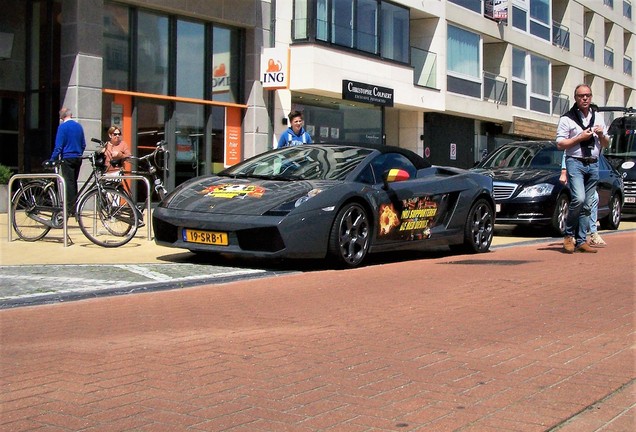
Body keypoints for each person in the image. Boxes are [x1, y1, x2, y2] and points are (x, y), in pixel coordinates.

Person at [556, 84, 609, 253]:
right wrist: (579, 137)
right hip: (575, 162)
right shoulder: (567, 118)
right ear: (576, 98)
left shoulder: (598, 118)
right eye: (581, 96)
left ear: (591, 97)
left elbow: (606, 144)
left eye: (587, 95)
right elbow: (560, 143)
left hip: (593, 163)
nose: (585, 98)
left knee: (588, 203)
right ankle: (568, 235)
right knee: (578, 198)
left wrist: (601, 135)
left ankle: (581, 240)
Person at [558, 153, 606, 247]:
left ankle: (591, 234)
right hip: (575, 168)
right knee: (579, 200)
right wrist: (563, 172)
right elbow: (566, 152)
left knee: (593, 199)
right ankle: (570, 234)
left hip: (590, 168)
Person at [50, 107, 86, 215]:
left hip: (67, 157)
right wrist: (79, 152)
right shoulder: (79, 126)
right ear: (71, 115)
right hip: (78, 157)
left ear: (62, 116)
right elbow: (83, 144)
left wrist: (53, 159)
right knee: (73, 182)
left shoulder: (62, 127)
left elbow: (58, 146)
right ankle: (74, 206)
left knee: (68, 182)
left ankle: (70, 209)